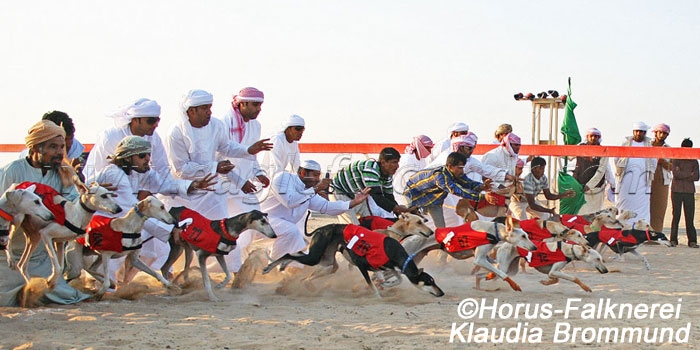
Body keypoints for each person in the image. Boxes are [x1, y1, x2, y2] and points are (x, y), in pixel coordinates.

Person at [89, 136, 217, 284]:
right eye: (142, 155)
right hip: (103, 224)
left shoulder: (142, 172)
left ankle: (124, 283)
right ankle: (100, 282)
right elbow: (135, 210)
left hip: (124, 221)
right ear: (127, 158)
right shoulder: (115, 174)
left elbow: (166, 185)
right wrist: (171, 230)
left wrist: (193, 185)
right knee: (112, 267)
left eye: (149, 154)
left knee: (150, 249)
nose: (147, 159)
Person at [0, 120, 89, 306]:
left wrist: (89, 197)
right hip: (8, 256)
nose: (59, 152)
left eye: (61, 147)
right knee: (8, 299)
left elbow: (73, 206)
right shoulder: (13, 171)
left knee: (67, 296)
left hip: (42, 256)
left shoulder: (63, 174)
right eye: (53, 147)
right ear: (35, 148)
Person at [163, 89, 272, 221]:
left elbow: (226, 147)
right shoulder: (175, 133)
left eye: (209, 107)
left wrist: (248, 150)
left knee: (221, 234)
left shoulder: (216, 125)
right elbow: (181, 169)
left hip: (211, 193)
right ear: (192, 111)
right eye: (204, 108)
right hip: (184, 194)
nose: (209, 112)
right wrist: (215, 167)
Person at [261, 160, 370, 260]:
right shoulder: (283, 178)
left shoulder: (309, 191)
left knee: (302, 253)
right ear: (303, 173)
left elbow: (327, 207)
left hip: (283, 228)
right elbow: (290, 201)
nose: (318, 179)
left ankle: (280, 269)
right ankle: (274, 264)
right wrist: (316, 189)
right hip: (261, 221)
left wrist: (353, 202)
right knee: (291, 232)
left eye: (319, 176)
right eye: (315, 175)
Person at [217, 87, 272, 272]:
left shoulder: (255, 126)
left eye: (260, 105)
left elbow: (251, 155)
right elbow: (219, 159)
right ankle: (233, 270)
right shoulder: (223, 124)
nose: (259, 109)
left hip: (244, 188)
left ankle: (226, 266)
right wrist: (240, 181)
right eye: (255, 104)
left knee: (254, 223)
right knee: (221, 230)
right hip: (220, 186)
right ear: (242, 104)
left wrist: (258, 172)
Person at [83, 98, 169, 182]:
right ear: (135, 120)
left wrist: (147, 189)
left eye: (157, 120)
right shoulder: (110, 137)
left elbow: (162, 170)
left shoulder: (154, 138)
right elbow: (100, 171)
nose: (156, 125)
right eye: (151, 121)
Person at [404, 152, 496, 228]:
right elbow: (458, 190)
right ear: (450, 166)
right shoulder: (440, 177)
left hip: (434, 200)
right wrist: (482, 196)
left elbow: (467, 183)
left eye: (463, 168)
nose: (462, 171)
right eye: (460, 168)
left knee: (441, 228)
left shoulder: (455, 174)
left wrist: (481, 186)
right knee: (411, 223)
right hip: (414, 195)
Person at [330, 147, 412, 224]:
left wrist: (401, 213)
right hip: (340, 193)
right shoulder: (371, 169)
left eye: (397, 162)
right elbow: (378, 197)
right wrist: (401, 210)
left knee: (372, 222)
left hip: (357, 196)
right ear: (383, 162)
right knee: (353, 228)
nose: (397, 166)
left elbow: (389, 197)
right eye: (394, 162)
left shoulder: (387, 174)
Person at [19, 111, 86, 178]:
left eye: (62, 146)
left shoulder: (74, 147)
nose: (68, 144)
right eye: (54, 146)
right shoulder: (21, 166)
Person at [615, 122, 656, 224]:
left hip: (643, 181)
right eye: (637, 131)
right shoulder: (625, 143)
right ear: (633, 132)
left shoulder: (649, 146)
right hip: (625, 180)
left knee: (642, 206)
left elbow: (654, 162)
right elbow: (616, 159)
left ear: (644, 133)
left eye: (641, 131)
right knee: (623, 204)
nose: (638, 133)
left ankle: (641, 229)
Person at [572, 128, 614, 214]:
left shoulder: (603, 151)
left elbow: (601, 171)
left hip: (596, 189)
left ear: (599, 138)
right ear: (587, 137)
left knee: (595, 215)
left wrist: (589, 185)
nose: (593, 138)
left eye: (596, 136)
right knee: (580, 214)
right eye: (591, 136)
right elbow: (568, 156)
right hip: (579, 186)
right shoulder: (580, 148)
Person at [670, 138, 698, 248]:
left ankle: (692, 241)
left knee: (689, 217)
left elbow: (696, 177)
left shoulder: (694, 161)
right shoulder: (676, 159)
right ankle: (673, 240)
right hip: (677, 190)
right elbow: (676, 175)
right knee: (676, 216)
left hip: (688, 191)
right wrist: (689, 174)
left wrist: (682, 173)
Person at [393, 135, 434, 206]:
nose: (429, 151)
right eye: (427, 148)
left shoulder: (422, 159)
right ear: (420, 146)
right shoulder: (408, 159)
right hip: (403, 196)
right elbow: (410, 182)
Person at [649, 123, 672, 231]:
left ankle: (656, 233)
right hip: (647, 178)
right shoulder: (647, 146)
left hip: (662, 180)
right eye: (660, 132)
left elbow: (673, 166)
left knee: (659, 207)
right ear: (655, 133)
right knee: (645, 206)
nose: (662, 135)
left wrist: (663, 162)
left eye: (664, 133)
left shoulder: (668, 149)